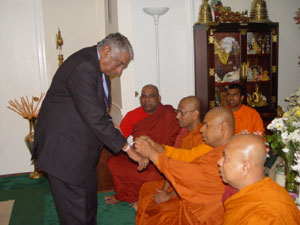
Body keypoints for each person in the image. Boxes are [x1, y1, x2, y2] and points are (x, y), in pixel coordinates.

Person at [32, 33, 148, 225]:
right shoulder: (83, 67)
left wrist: (111, 124)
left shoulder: (98, 67)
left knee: (87, 207)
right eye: (118, 64)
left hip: (80, 151)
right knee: (74, 214)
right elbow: (93, 115)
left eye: (123, 67)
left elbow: (95, 109)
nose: (119, 71)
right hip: (64, 152)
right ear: (106, 50)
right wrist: (129, 150)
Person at [135, 107, 235, 225]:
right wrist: (153, 146)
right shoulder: (214, 148)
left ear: (222, 127)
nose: (202, 130)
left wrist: (152, 154)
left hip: (206, 215)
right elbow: (185, 157)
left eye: (207, 126)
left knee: (157, 217)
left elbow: (191, 174)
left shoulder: (230, 155)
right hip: (192, 196)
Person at [105, 84, 180, 205]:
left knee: (151, 176)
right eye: (144, 96)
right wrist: (134, 152)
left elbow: (178, 138)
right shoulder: (132, 116)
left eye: (151, 96)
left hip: (161, 158)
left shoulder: (169, 113)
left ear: (159, 98)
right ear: (140, 99)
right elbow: (119, 138)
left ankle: (136, 196)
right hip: (139, 157)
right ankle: (125, 195)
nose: (147, 99)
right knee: (114, 161)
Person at [136, 96, 205, 218]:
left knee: (156, 208)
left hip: (189, 192)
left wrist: (169, 195)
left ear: (195, 114)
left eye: (181, 113)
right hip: (176, 181)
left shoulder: (202, 139)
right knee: (146, 189)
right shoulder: (184, 133)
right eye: (177, 111)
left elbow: (193, 180)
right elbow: (173, 161)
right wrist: (164, 189)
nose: (177, 116)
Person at [218, 134, 300, 225]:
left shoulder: (263, 217)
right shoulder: (265, 189)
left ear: (245, 167)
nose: (219, 162)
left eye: (225, 158)